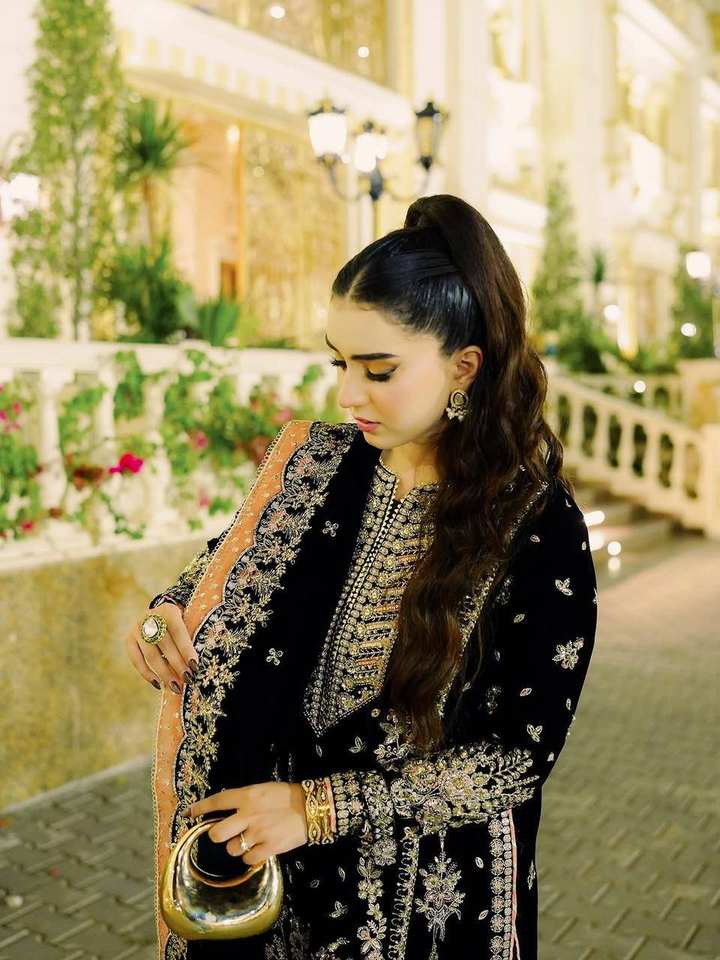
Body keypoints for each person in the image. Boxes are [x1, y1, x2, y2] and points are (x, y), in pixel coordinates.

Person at [126, 194, 598, 960]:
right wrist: (164, 619)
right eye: (339, 363)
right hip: (277, 879)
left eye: (379, 370)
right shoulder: (314, 465)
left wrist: (315, 809)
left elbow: (516, 756)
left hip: (430, 897)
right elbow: (212, 576)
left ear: (464, 367)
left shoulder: (534, 522)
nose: (348, 394)